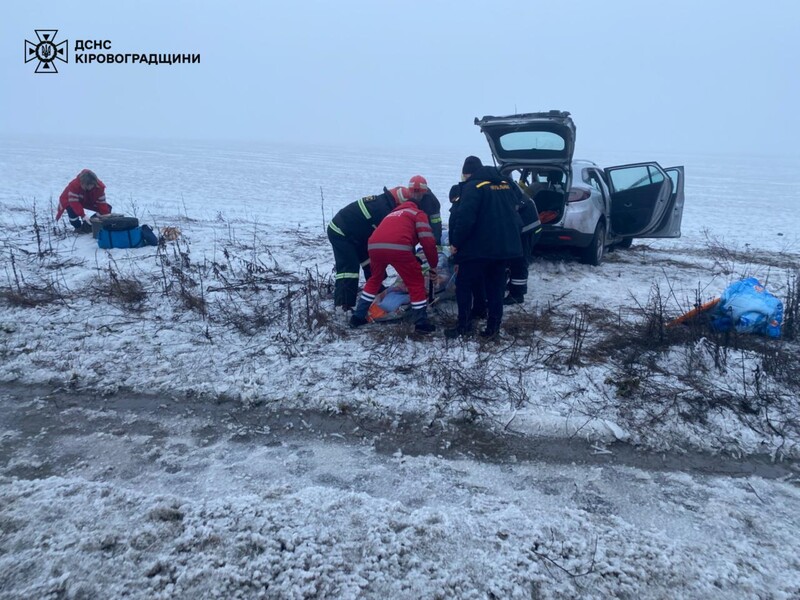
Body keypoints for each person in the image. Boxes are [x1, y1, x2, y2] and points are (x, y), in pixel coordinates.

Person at [446, 156, 524, 338]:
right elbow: (518, 203)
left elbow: (465, 219)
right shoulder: (505, 184)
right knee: (496, 288)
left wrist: (456, 243)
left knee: (464, 284)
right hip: (503, 247)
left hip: (478, 248)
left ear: (467, 173)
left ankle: (463, 326)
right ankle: (492, 330)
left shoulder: (473, 187)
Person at [349, 187, 439, 333]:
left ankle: (358, 317)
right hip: (398, 247)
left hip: (374, 246)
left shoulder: (394, 213)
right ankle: (421, 323)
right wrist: (433, 264)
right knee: (415, 282)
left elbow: (398, 234)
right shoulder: (418, 213)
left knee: (375, 279)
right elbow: (428, 242)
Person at [327, 186, 405, 310]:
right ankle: (344, 304)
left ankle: (377, 289)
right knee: (349, 268)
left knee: (369, 261)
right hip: (340, 232)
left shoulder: (384, 203)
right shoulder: (383, 210)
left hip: (357, 235)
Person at [505, 182, 542, 304]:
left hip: (527, 228)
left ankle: (517, 294)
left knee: (519, 260)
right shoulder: (500, 185)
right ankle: (511, 286)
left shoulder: (501, 189)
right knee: (513, 258)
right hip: (522, 225)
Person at [407, 175, 443, 248]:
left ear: (424, 192)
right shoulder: (406, 197)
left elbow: (436, 224)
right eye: (414, 193)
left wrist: (436, 243)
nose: (415, 196)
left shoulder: (432, 202)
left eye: (418, 193)